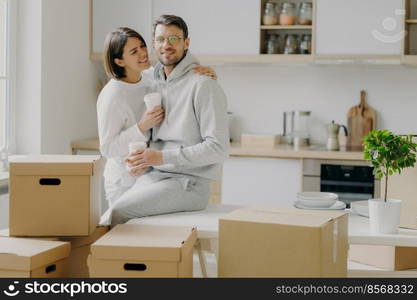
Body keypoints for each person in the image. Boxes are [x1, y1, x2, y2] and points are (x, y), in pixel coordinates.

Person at [109, 15, 229, 225]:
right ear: (154, 44)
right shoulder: (153, 81)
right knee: (107, 217)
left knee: (118, 213)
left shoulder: (203, 85)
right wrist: (141, 164)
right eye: (160, 39)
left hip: (188, 184)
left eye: (174, 39)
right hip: (154, 176)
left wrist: (159, 158)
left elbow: (218, 149)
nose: (166, 45)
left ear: (186, 43)